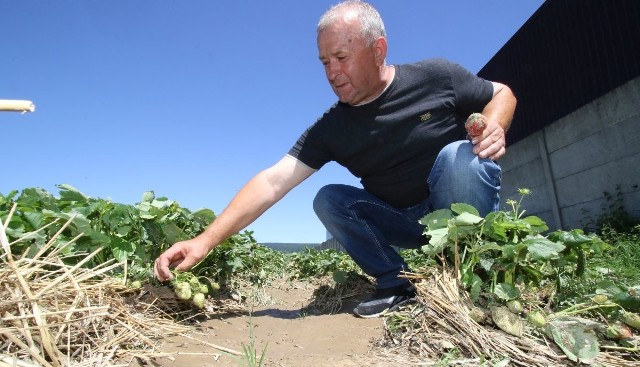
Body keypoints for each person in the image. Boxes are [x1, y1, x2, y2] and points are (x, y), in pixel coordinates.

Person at [154, 0, 516, 318]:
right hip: (402, 221)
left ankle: (473, 273)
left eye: (341, 57)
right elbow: (272, 182)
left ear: (378, 50)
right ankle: (397, 283)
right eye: (324, 61)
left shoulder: (437, 76)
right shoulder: (331, 129)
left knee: (460, 157)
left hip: (453, 213)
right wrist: (204, 241)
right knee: (329, 198)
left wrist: (496, 124)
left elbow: (501, 92)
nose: (331, 72)